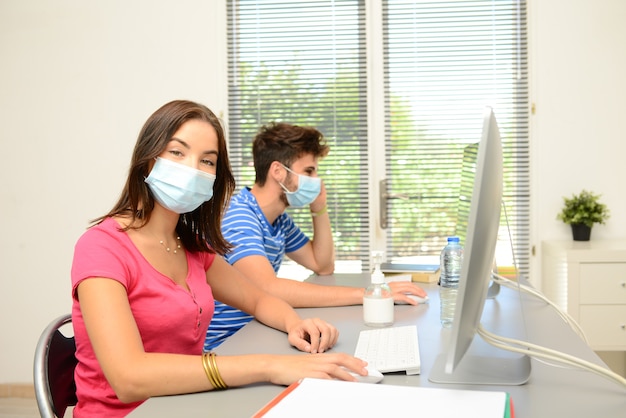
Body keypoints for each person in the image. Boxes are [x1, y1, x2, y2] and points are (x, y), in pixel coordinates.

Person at [70, 100, 368, 417]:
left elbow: (259, 299)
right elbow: (129, 378)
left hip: (186, 403)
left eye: (207, 161)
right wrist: (269, 365)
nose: (193, 169)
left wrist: (295, 323)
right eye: (177, 152)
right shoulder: (101, 247)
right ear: (148, 159)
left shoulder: (192, 246)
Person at [205, 122, 428, 350]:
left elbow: (322, 265)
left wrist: (319, 208)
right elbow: (267, 288)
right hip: (228, 343)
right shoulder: (238, 216)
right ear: (278, 172)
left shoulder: (278, 220)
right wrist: (367, 294)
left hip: (257, 330)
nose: (316, 180)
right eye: (309, 171)